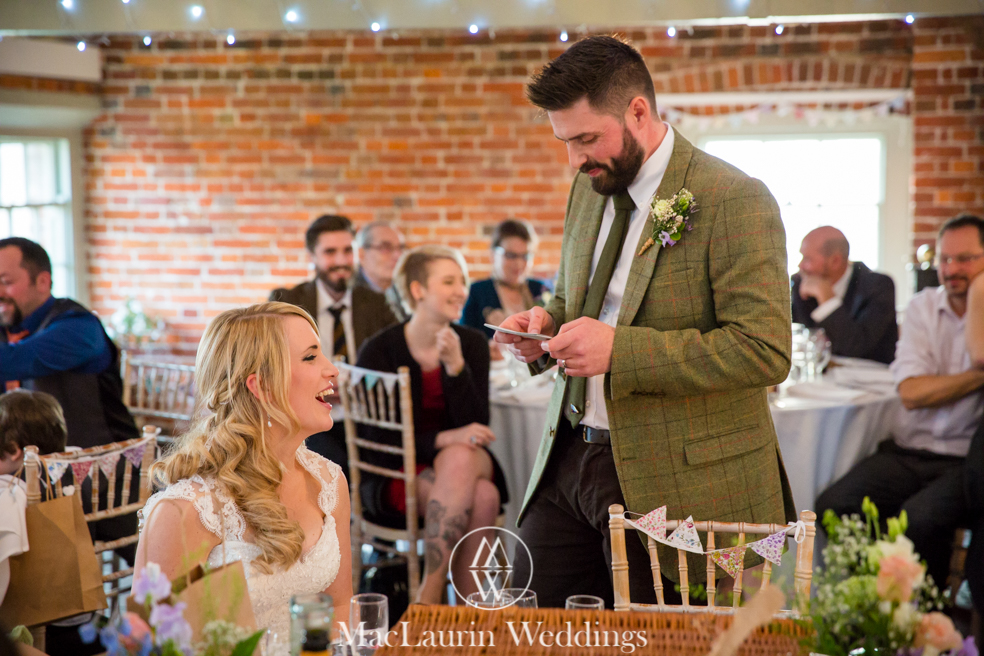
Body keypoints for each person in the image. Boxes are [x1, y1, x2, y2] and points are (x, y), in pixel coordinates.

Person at [494, 36, 795, 608]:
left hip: (673, 479)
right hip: (568, 458)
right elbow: (570, 297)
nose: (575, 159)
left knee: (653, 638)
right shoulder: (589, 188)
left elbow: (763, 350)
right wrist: (542, 325)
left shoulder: (734, 199)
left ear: (638, 111)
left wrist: (620, 351)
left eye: (586, 138)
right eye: (564, 141)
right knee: (528, 622)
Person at [136, 303, 352, 655]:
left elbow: (340, 608)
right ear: (262, 386)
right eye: (311, 358)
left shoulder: (329, 482)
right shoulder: (185, 512)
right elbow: (152, 646)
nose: (332, 370)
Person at [816, 214, 984, 589]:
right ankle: (874, 598)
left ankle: (927, 626)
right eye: (944, 259)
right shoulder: (924, 306)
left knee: (918, 520)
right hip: (907, 451)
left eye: (966, 259)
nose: (952, 269)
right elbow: (910, 393)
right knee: (834, 504)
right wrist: (978, 376)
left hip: (962, 461)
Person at [356, 245, 508, 605]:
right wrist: (445, 438)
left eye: (463, 281)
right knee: (485, 495)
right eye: (449, 281)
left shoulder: (470, 344)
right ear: (417, 290)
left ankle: (429, 593)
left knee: (461, 454)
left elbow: (477, 426)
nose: (461, 290)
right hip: (398, 470)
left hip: (465, 461)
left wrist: (455, 368)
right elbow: (376, 439)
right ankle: (469, 611)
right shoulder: (378, 351)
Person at [270, 215, 398, 477]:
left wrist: (356, 385)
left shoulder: (377, 303)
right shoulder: (288, 301)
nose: (341, 261)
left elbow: (395, 363)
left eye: (347, 251)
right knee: (330, 468)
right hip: (309, 419)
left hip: (366, 417)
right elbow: (274, 364)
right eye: (330, 252)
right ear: (312, 256)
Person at [0, 237, 138, 448]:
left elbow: (16, 360)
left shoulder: (79, 327)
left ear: (43, 282)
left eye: (6, 282)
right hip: (26, 469)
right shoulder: (7, 326)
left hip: (104, 466)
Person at [791, 226, 898, 364]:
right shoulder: (801, 282)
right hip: (818, 381)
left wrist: (827, 301)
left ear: (835, 261)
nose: (800, 266)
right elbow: (803, 341)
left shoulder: (879, 286)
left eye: (807, 259)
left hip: (870, 380)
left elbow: (857, 347)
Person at [0, 389, 68, 605]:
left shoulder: (9, 492)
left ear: (13, 450)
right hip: (62, 589)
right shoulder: (70, 475)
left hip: (23, 601)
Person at [462, 219, 550, 360]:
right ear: (493, 254)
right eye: (510, 255)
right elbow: (466, 342)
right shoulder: (477, 292)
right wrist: (485, 350)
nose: (519, 263)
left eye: (525, 256)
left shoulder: (540, 289)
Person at [353, 221, 408, 322]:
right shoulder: (349, 297)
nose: (398, 256)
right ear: (361, 254)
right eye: (385, 248)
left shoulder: (404, 290)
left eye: (400, 248)